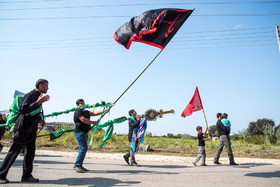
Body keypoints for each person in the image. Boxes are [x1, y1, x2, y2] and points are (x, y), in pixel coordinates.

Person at [0, 79, 50, 184]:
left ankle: (27, 175)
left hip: (31, 129)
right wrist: (38, 102)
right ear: (40, 86)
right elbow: (23, 110)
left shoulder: (38, 96)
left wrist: (40, 120)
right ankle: (1, 175)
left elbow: (33, 112)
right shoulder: (30, 95)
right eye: (46, 86)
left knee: (30, 153)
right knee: (13, 152)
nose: (48, 88)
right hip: (23, 129)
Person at [73, 99, 104, 173]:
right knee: (83, 148)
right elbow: (83, 120)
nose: (82, 104)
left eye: (83, 103)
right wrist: (93, 122)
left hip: (84, 133)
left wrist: (105, 110)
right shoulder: (78, 111)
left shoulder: (85, 111)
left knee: (84, 148)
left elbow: (95, 113)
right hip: (79, 133)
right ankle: (77, 165)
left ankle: (79, 165)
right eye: (81, 103)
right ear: (77, 105)